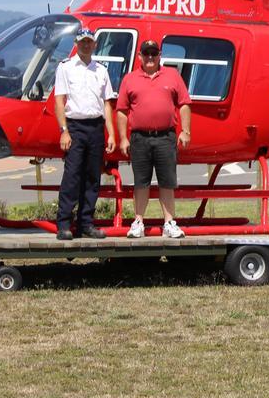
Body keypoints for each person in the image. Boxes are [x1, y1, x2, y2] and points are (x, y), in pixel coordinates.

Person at [116, 39, 192, 238]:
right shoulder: (130, 79)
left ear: (160, 55)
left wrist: (185, 130)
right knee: (141, 182)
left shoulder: (173, 75)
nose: (150, 57)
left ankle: (169, 223)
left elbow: (184, 104)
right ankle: (139, 222)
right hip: (139, 138)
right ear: (140, 56)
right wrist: (123, 138)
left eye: (154, 53)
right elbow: (122, 111)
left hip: (166, 137)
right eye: (146, 53)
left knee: (167, 181)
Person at [52, 28, 116, 240]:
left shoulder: (101, 70)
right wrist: (64, 131)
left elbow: (107, 104)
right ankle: (63, 224)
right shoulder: (66, 68)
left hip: (96, 127)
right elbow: (59, 101)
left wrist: (111, 134)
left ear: (95, 45)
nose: (86, 45)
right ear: (76, 43)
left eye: (89, 42)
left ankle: (86, 223)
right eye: (82, 42)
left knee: (92, 177)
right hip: (75, 126)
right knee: (72, 177)